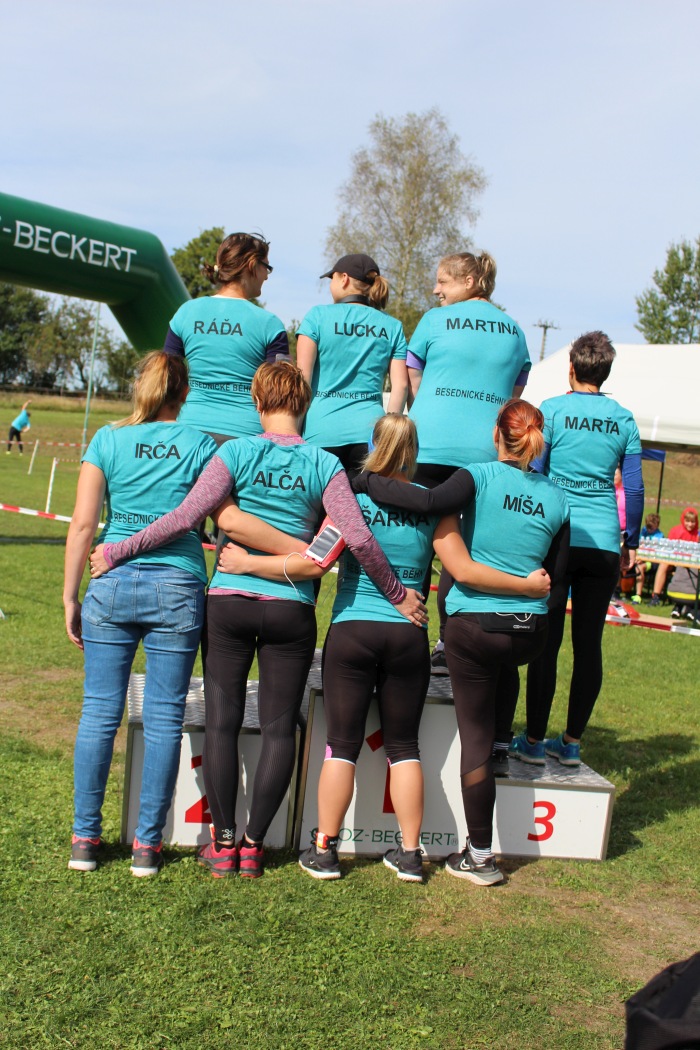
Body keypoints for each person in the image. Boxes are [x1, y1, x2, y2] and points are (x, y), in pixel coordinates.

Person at [89, 362, 426, 879]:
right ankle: (252, 846)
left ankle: (222, 843)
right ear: (304, 404)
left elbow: (185, 517)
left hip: (229, 604)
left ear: (257, 400)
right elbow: (354, 538)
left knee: (221, 723)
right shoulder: (325, 464)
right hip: (291, 608)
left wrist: (118, 550)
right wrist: (398, 595)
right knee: (278, 728)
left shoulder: (234, 453)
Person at [221, 413, 552, 883]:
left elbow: (317, 558)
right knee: (404, 747)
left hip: (352, 632)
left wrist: (248, 563)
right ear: (414, 452)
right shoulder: (434, 508)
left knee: (342, 746)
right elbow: (460, 564)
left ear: (373, 446)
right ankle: (411, 854)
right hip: (408, 635)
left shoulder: (350, 499)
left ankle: (325, 850)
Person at [355, 400, 570, 886]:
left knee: (474, 741)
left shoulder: (477, 476)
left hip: (476, 628)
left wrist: (367, 481)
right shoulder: (557, 496)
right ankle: (503, 740)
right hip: (529, 632)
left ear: (497, 435)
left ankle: (480, 856)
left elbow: (427, 503)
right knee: (504, 667)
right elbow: (555, 579)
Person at [64, 353, 217, 876]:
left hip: (110, 582)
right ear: (184, 392)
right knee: (164, 717)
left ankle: (85, 839)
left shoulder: (107, 438)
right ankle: (147, 846)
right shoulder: (200, 444)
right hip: (177, 585)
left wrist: (70, 595)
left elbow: (83, 524)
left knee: (98, 712)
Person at [513, 331, 644, 769]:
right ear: (605, 372)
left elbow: (537, 473)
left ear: (571, 367)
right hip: (604, 543)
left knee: (545, 643)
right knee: (589, 646)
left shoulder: (551, 410)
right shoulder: (624, 419)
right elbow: (634, 488)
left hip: (559, 539)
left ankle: (533, 741)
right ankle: (570, 744)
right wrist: (631, 541)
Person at [404, 251, 532, 671]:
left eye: (443, 281)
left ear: (470, 281)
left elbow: (413, 379)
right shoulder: (515, 331)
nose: (435, 289)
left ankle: (404, 635)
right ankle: (447, 643)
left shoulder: (434, 321)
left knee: (413, 542)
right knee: (462, 550)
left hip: (427, 448)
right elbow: (514, 397)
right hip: (483, 457)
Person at [164, 232, 289, 445]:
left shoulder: (186, 312)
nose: (267, 276)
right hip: (245, 441)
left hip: (188, 434)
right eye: (266, 267)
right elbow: (282, 395)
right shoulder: (270, 324)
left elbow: (163, 377)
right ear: (252, 265)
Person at [296, 253, 408, 476]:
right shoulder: (392, 326)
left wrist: (293, 432)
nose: (331, 285)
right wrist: (387, 439)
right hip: (370, 436)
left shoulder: (317, 316)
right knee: (363, 500)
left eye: (332, 279)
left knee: (321, 499)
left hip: (320, 432)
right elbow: (401, 386)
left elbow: (302, 380)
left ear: (344, 279)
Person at [648, 507, 698, 610]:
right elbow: (669, 548)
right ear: (683, 520)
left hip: (691, 564)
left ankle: (692, 598)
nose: (690, 524)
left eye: (692, 522)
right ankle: (656, 595)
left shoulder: (697, 534)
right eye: (687, 521)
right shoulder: (676, 531)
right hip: (674, 561)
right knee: (663, 564)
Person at [632, 512, 663, 604]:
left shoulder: (659, 536)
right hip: (640, 558)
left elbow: (655, 552)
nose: (649, 529)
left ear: (657, 526)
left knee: (640, 568)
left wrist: (643, 559)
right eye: (648, 527)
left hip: (652, 561)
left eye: (651, 528)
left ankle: (638, 595)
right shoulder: (643, 531)